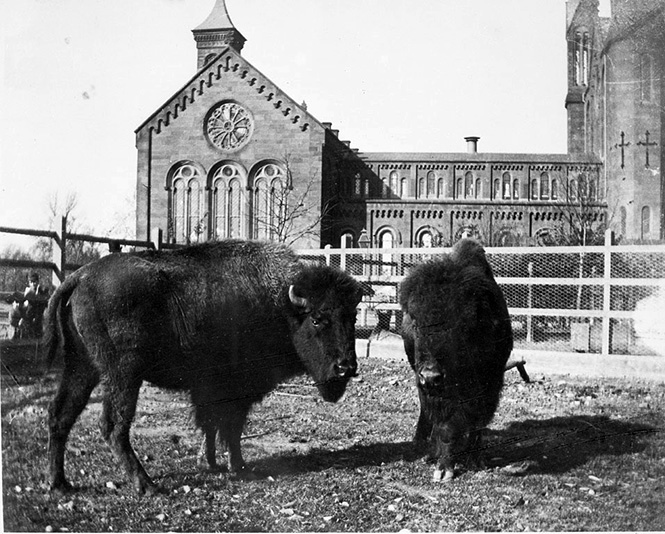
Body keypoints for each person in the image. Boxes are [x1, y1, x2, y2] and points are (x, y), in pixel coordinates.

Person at [22, 272, 49, 338]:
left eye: (35, 281)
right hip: (31, 311)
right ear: (29, 283)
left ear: (38, 282)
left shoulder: (41, 290)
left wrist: (40, 292)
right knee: (28, 321)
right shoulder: (28, 290)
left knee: (38, 321)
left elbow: (46, 298)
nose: (33, 283)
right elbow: (27, 297)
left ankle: (38, 335)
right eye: (31, 282)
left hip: (39, 312)